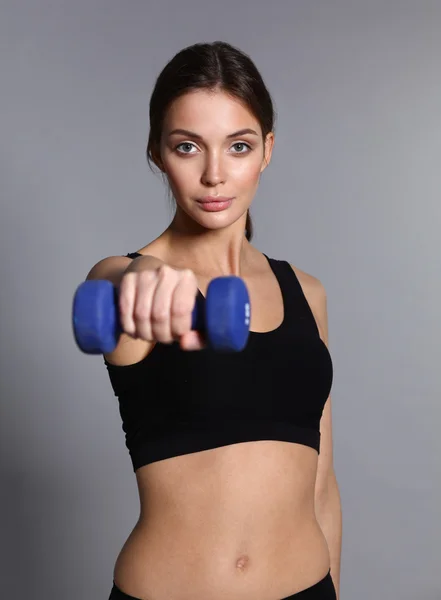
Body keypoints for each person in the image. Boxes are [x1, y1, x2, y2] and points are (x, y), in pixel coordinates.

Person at [86, 41, 342, 600]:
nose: (214, 175)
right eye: (187, 147)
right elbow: (108, 282)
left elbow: (321, 485)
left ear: (267, 150)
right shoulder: (132, 282)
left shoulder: (307, 292)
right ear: (157, 151)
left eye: (239, 146)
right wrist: (139, 278)